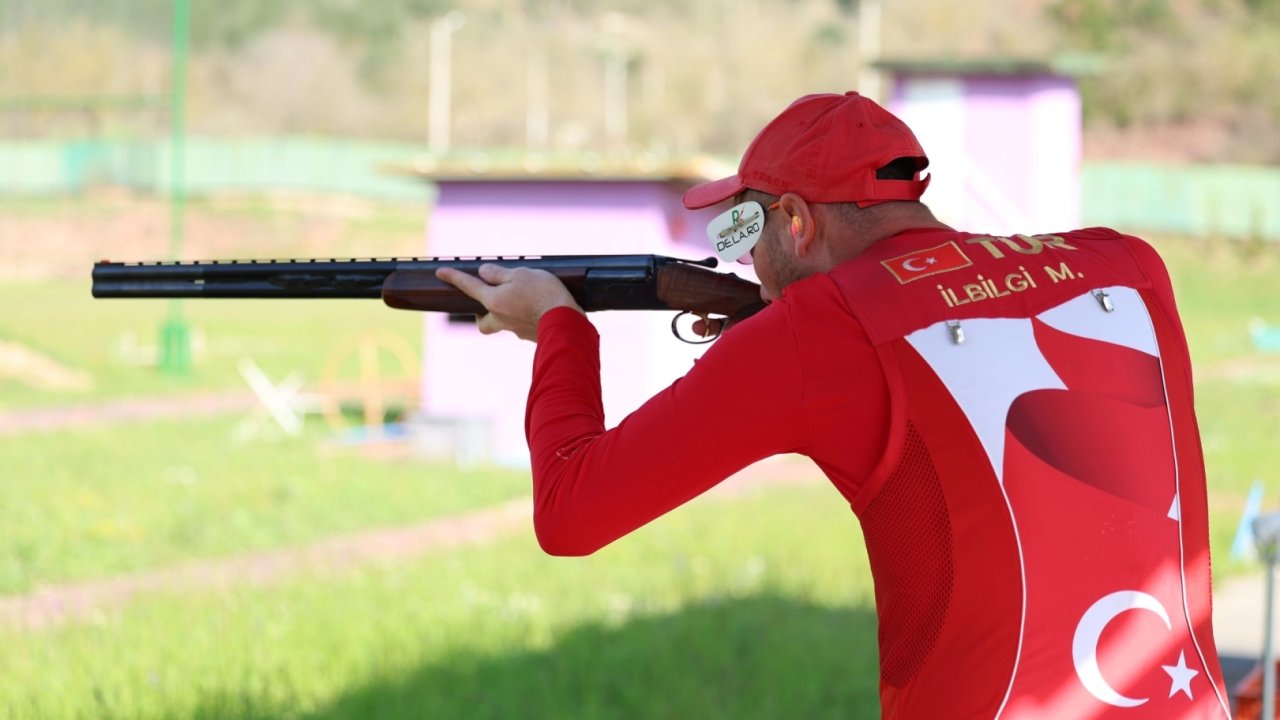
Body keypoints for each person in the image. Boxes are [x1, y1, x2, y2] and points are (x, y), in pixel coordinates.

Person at [436, 91, 1231, 719]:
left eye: (743, 226)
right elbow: (975, 327)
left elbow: (571, 511)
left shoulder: (817, 333)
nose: (741, 257)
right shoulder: (1125, 264)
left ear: (797, 220)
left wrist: (559, 329)